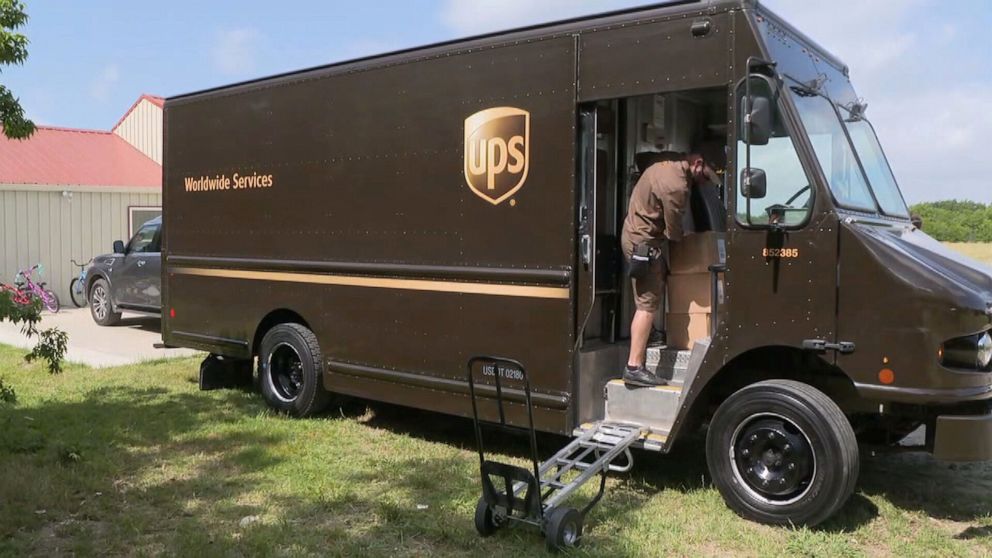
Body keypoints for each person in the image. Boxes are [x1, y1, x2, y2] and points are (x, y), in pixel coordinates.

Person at [620, 152, 708, 387]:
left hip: (635, 236)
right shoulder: (677, 185)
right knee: (646, 304)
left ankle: (650, 335)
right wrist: (693, 243)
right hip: (644, 244)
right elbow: (674, 231)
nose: (705, 181)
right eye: (706, 176)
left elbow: (641, 156)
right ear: (697, 164)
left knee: (657, 284)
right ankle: (634, 367)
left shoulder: (665, 164)